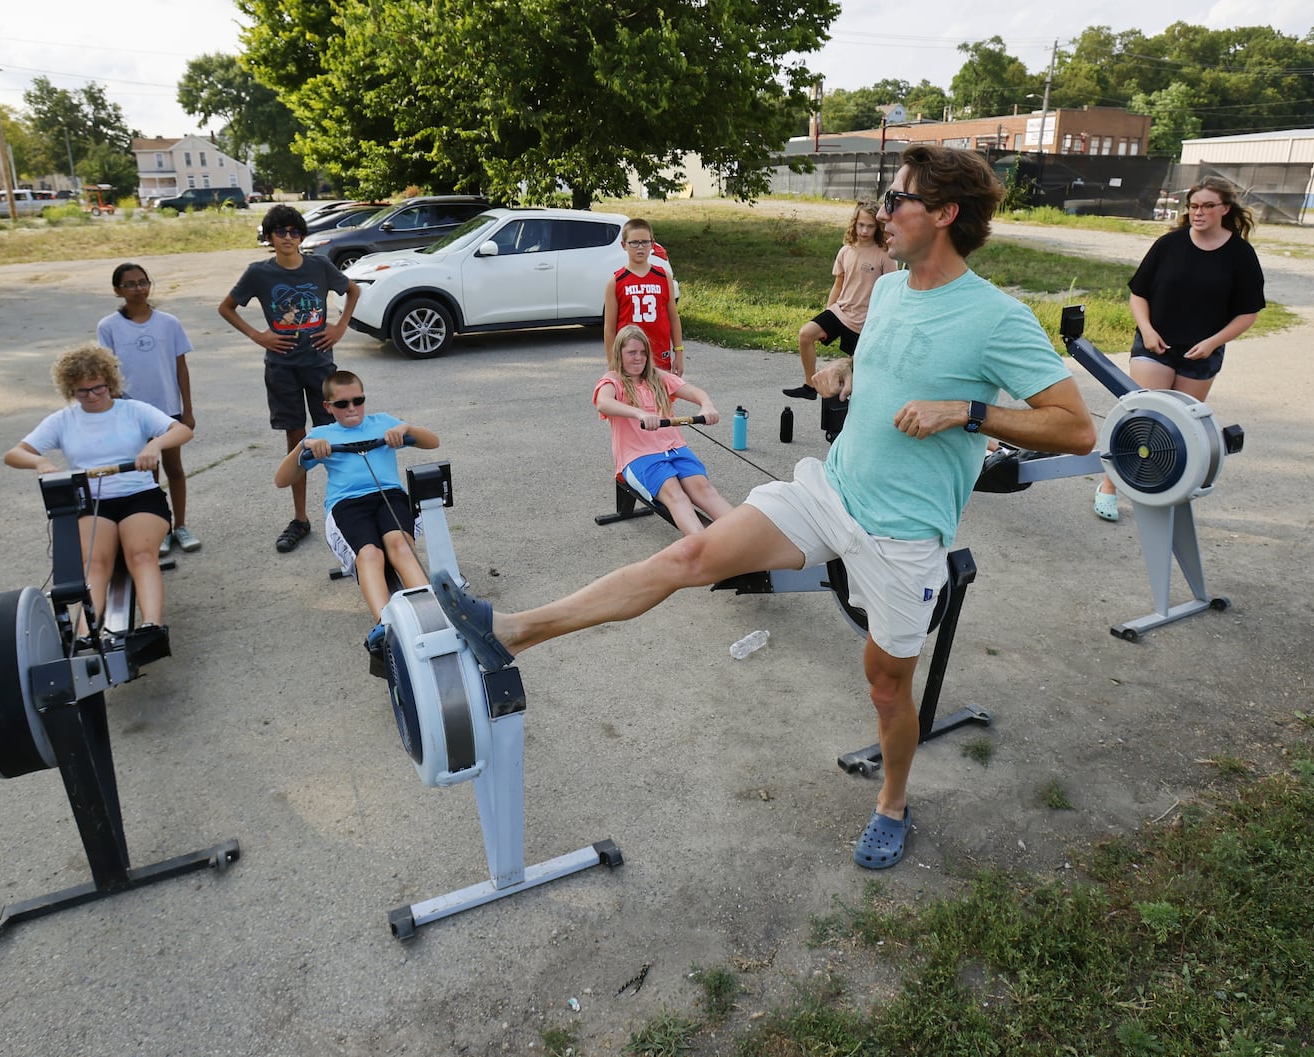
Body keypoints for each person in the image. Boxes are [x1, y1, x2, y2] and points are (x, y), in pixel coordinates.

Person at [429, 145, 1096, 870]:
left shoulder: (997, 318)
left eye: (896, 199)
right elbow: (885, 360)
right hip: (828, 491)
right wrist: (847, 369)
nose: (879, 212)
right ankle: (515, 629)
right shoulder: (896, 289)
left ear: (943, 214)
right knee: (689, 554)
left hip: (902, 535)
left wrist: (965, 410)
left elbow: (1073, 425)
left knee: (885, 686)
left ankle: (893, 801)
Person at [1094, 175, 1264, 522]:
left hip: (1201, 352)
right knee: (1145, 419)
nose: (1198, 212)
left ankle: (1156, 490)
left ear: (1224, 209)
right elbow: (1138, 293)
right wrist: (1147, 329)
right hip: (1155, 344)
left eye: (1207, 206)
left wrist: (1214, 343)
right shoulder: (1168, 244)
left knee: (1179, 430)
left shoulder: (1240, 254)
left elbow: (1248, 313)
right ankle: (1109, 487)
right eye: (1193, 206)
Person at [3, 344, 194, 640]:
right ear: (70, 390)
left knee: (141, 555)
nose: (92, 396)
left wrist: (154, 444)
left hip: (138, 495)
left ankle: (152, 627)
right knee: (94, 563)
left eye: (98, 388)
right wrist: (40, 461)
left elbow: (182, 430)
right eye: (82, 392)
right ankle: (85, 637)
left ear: (110, 383)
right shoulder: (63, 420)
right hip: (91, 500)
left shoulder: (133, 410)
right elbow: (14, 454)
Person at [220, 203, 362, 553]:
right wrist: (259, 336)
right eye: (280, 232)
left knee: (335, 436)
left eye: (294, 231)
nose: (287, 237)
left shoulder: (318, 265)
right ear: (269, 237)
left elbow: (353, 290)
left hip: (319, 364)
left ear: (302, 236)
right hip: (281, 367)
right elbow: (226, 307)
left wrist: (339, 327)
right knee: (298, 441)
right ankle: (301, 518)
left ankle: (347, 512)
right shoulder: (258, 272)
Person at [273, 370, 440, 660]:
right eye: (342, 404)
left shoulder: (383, 422)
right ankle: (385, 626)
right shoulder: (322, 435)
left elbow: (432, 441)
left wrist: (406, 429)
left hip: (388, 496)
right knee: (370, 555)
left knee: (400, 546)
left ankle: (431, 617)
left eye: (358, 401)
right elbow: (282, 479)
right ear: (328, 407)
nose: (351, 409)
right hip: (347, 504)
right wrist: (303, 446)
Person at [96, 262, 199, 557]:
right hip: (131, 413)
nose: (139, 288)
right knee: (147, 473)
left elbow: (181, 367)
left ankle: (181, 525)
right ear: (118, 290)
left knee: (175, 469)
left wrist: (187, 410)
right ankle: (160, 528)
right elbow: (108, 371)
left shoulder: (168, 322)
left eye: (143, 282)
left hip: (168, 411)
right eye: (130, 284)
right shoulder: (108, 327)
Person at [597, 324, 731, 536]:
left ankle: (744, 536)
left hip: (675, 449)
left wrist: (707, 405)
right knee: (675, 494)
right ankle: (704, 547)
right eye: (631, 352)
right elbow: (603, 403)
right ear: (619, 354)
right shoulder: (613, 380)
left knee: (704, 490)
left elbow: (695, 392)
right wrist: (639, 413)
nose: (638, 358)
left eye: (643, 352)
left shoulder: (657, 377)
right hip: (638, 456)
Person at [784, 201, 896, 399]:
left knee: (860, 372)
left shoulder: (885, 254)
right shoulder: (846, 250)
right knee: (805, 334)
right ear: (854, 224)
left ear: (877, 227)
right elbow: (838, 284)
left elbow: (892, 291)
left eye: (870, 226)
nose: (864, 230)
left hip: (865, 321)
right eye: (861, 225)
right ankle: (810, 386)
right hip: (840, 311)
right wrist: (828, 312)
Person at [605, 218, 684, 375]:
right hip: (629, 358)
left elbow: (673, 317)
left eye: (645, 242)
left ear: (652, 244)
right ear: (624, 245)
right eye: (634, 243)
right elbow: (609, 328)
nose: (640, 247)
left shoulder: (663, 276)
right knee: (631, 399)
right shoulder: (616, 281)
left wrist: (679, 352)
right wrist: (612, 363)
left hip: (659, 355)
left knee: (660, 399)